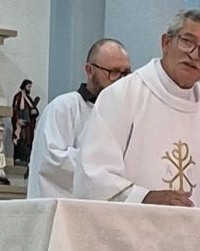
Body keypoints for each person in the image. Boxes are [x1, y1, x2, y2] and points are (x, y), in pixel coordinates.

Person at [73, 9, 200, 208]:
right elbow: (93, 176)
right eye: (187, 41)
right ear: (166, 43)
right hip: (132, 234)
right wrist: (145, 197)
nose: (194, 54)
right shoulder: (122, 96)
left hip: (192, 236)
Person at [27, 39, 131, 199]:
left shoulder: (128, 114)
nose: (121, 81)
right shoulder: (64, 107)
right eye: (114, 72)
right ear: (90, 71)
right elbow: (53, 163)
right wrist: (108, 163)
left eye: (126, 73)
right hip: (69, 213)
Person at [11, 79, 40, 166]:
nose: (30, 89)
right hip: (21, 125)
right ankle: (19, 158)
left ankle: (26, 159)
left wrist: (34, 112)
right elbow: (15, 109)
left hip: (28, 126)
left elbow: (33, 109)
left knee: (28, 140)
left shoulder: (29, 99)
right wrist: (17, 120)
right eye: (28, 87)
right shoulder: (18, 96)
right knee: (21, 139)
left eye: (30, 87)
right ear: (24, 86)